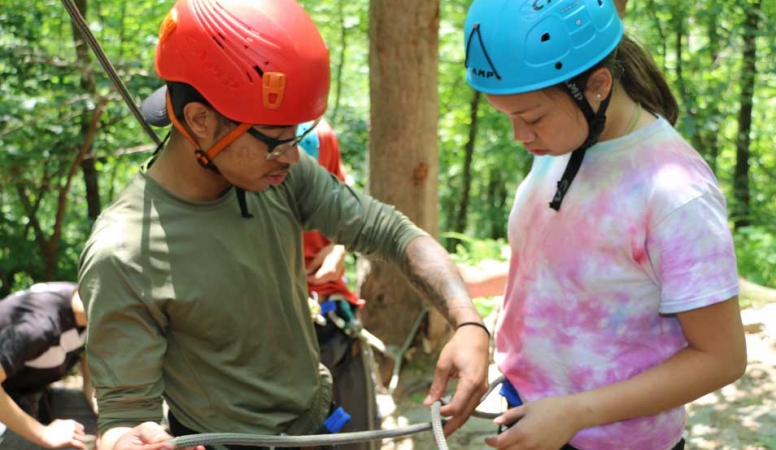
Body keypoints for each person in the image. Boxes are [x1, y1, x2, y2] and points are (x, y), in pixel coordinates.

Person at [77, 1, 490, 450]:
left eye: (296, 135)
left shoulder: (276, 174)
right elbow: (124, 417)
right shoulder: (124, 253)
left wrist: (468, 323)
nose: (293, 156)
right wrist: (127, 441)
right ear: (200, 120)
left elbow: (388, 231)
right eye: (276, 141)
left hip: (321, 423)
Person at [462, 1, 747, 450]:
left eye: (531, 117)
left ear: (597, 85)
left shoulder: (675, 193)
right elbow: (578, 264)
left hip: (611, 438)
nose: (519, 136)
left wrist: (577, 413)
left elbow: (722, 358)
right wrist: (475, 285)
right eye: (507, 116)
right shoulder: (563, 141)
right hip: (527, 413)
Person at [298, 118, 380, 450]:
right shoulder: (230, 135)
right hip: (265, 327)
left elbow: (347, 213)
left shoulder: (318, 134)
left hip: (331, 320)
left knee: (354, 433)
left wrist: (338, 248)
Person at [0, 282, 92, 450]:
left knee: (95, 428)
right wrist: (44, 434)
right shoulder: (39, 325)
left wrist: (106, 421)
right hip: (6, 402)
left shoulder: (87, 315)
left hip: (30, 394)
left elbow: (91, 375)